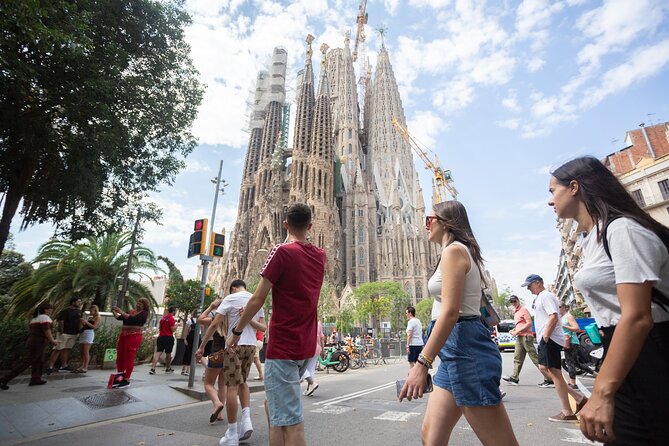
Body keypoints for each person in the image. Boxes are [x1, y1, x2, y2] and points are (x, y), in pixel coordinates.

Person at [549, 156, 669, 444]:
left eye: (553, 191)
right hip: (623, 349)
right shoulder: (593, 237)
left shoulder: (623, 230)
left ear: (574, 187)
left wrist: (601, 393)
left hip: (649, 351)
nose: (550, 201)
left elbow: (638, 317)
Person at [399, 200, 518, 445]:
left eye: (429, 220)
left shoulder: (454, 251)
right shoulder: (455, 251)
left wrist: (422, 364)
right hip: (454, 352)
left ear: (446, 223)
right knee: (431, 437)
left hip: (466, 350)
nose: (426, 225)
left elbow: (451, 312)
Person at [227, 203, 326, 446]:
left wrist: (237, 331)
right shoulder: (320, 256)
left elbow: (257, 298)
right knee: (274, 409)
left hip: (284, 346)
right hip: (305, 345)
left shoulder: (281, 251)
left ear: (285, 224)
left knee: (292, 423)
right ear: (310, 226)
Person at [197, 279, 266, 446]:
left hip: (234, 346)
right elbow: (264, 328)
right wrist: (248, 319)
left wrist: (202, 346)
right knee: (243, 383)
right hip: (250, 347)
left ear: (233, 288)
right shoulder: (256, 299)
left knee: (232, 386)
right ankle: (247, 420)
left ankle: (232, 433)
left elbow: (214, 324)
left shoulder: (230, 298)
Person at [522, 274, 588, 422]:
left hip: (549, 338)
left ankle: (567, 412)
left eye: (529, 285)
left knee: (555, 373)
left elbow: (553, 316)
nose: (528, 288)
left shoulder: (546, 295)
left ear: (538, 283)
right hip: (545, 339)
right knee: (544, 368)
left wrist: (546, 335)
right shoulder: (539, 297)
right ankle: (578, 398)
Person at [1, 303, 58, 389]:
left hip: (33, 341)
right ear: (46, 309)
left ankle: (36, 378)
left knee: (38, 361)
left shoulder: (34, 319)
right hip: (38, 342)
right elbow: (47, 330)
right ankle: (4, 379)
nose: (52, 310)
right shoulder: (44, 318)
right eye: (50, 309)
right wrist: (53, 340)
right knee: (27, 362)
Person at [502, 295, 552, 386]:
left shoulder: (523, 310)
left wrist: (517, 331)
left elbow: (529, 323)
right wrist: (514, 330)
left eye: (515, 301)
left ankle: (549, 378)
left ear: (518, 300)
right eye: (512, 302)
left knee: (535, 358)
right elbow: (520, 324)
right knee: (517, 358)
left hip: (526, 337)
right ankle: (514, 378)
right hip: (519, 337)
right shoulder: (516, 312)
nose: (513, 304)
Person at [197, 296, 227, 424]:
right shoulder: (232, 319)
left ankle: (216, 403)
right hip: (229, 355)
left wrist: (211, 306)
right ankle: (219, 414)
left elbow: (200, 319)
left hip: (217, 354)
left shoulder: (216, 318)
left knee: (208, 384)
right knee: (222, 385)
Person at [111, 298, 150, 388]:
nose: (138, 305)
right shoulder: (131, 311)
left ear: (144, 306)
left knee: (129, 357)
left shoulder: (144, 314)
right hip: (124, 336)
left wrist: (121, 311)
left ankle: (127, 379)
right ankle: (120, 376)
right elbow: (119, 317)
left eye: (140, 304)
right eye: (138, 303)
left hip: (134, 336)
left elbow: (134, 319)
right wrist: (114, 311)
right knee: (120, 355)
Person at [46, 296, 82, 374]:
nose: (79, 303)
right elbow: (61, 321)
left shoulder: (79, 311)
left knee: (66, 349)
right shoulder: (65, 311)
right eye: (78, 301)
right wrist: (62, 331)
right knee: (57, 349)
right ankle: (50, 367)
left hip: (74, 333)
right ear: (73, 302)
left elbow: (79, 321)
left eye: (80, 301)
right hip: (64, 333)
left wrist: (79, 331)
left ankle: (63, 366)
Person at [150, 306, 177, 375]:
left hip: (161, 336)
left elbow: (160, 328)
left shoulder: (163, 318)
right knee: (168, 353)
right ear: (173, 311)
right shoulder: (171, 319)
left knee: (158, 352)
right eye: (175, 311)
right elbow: (173, 329)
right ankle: (168, 368)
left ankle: (153, 368)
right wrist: (177, 325)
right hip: (168, 337)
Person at [560, 303, 581, 389]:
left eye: (559, 307)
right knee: (576, 363)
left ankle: (573, 383)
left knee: (570, 362)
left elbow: (577, 328)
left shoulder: (568, 316)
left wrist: (564, 326)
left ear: (564, 308)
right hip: (567, 341)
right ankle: (595, 374)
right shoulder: (561, 317)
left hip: (571, 341)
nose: (558, 308)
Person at [301, 320, 324, 396]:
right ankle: (310, 389)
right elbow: (322, 338)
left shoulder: (305, 322)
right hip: (317, 348)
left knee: (299, 367)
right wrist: (323, 350)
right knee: (311, 370)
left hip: (306, 348)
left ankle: (312, 383)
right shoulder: (319, 324)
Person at [75, 304, 100, 373]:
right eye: (90, 311)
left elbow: (94, 326)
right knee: (82, 351)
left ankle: (85, 367)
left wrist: (86, 322)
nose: (91, 312)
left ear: (95, 311)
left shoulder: (97, 317)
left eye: (92, 311)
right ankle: (82, 366)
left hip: (89, 334)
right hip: (84, 332)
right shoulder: (90, 317)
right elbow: (86, 326)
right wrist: (83, 323)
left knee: (86, 351)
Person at [181, 309, 197, 376]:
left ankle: (184, 369)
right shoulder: (199, 320)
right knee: (191, 353)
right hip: (195, 339)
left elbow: (186, 330)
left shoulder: (190, 320)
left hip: (190, 338)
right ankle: (187, 369)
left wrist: (185, 339)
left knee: (187, 353)